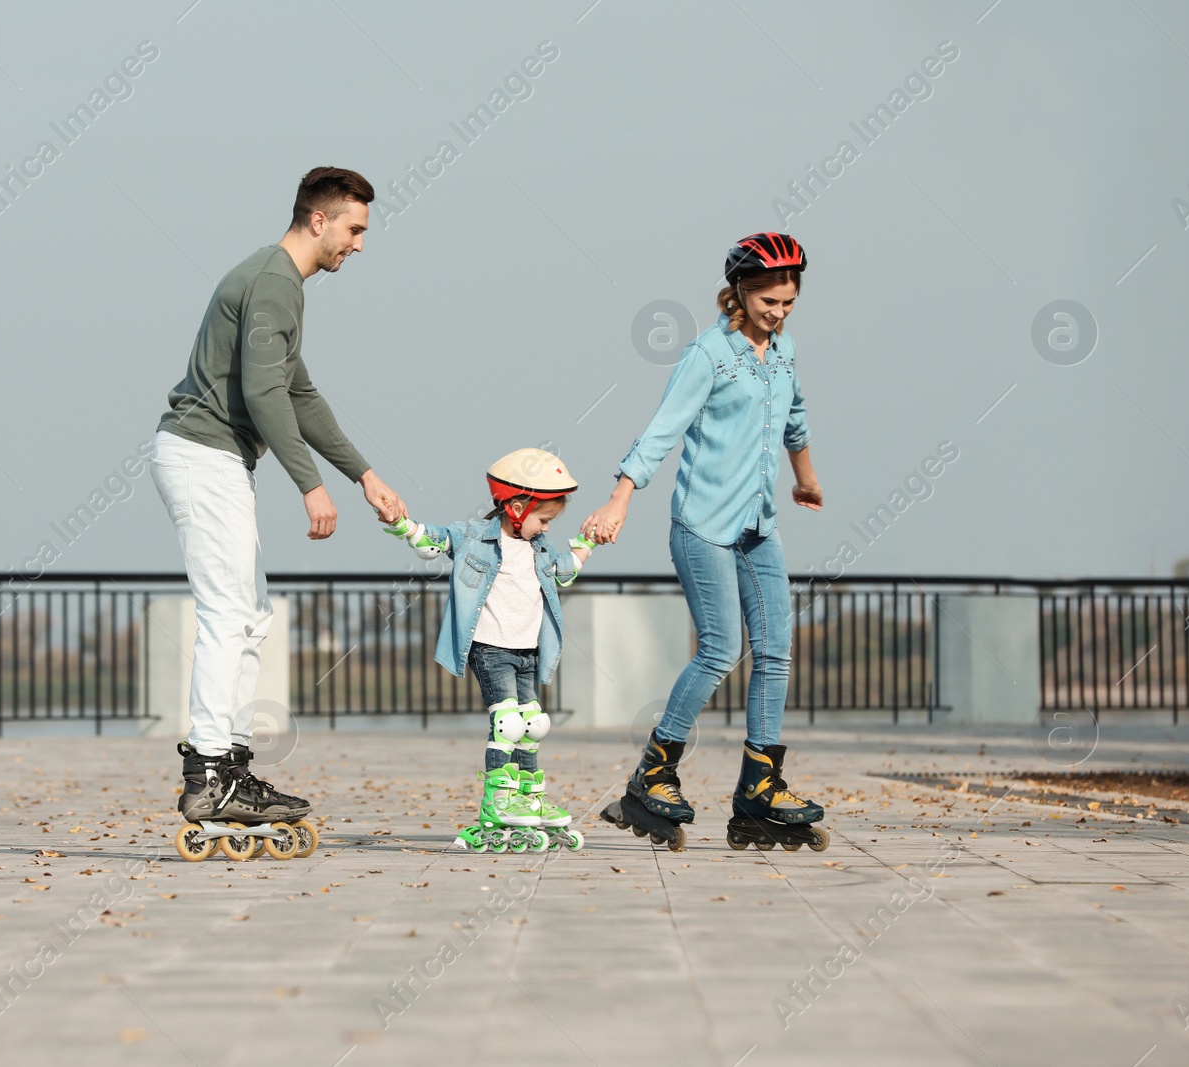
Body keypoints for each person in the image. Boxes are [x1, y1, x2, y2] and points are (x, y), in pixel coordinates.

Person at [151, 167, 407, 835]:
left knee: (250, 614)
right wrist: (309, 483)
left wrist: (363, 473)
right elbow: (265, 395)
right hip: (203, 454)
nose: (359, 244)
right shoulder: (273, 283)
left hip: (218, 459)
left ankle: (229, 766)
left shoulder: (280, 285)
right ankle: (208, 774)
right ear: (318, 220)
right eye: (354, 229)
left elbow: (299, 394)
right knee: (228, 612)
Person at [583, 232, 829, 851]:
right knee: (720, 649)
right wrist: (620, 497)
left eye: (788, 303)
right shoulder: (708, 355)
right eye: (769, 301)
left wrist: (805, 478)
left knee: (775, 649)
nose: (778, 312)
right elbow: (661, 431)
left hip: (756, 525)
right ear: (741, 293)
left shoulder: (784, 351)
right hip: (702, 525)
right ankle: (653, 776)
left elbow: (793, 416)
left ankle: (760, 787)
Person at [382, 448, 597, 852]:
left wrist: (590, 540)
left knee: (533, 724)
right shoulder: (473, 537)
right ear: (516, 507)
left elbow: (566, 571)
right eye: (543, 519)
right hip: (491, 649)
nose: (545, 528)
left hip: (528, 652)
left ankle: (529, 798)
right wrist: (400, 522)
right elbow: (432, 543)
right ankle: (498, 799)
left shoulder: (542, 549)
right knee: (508, 724)